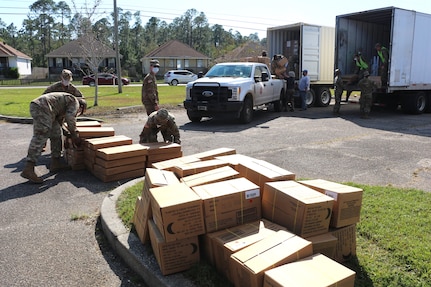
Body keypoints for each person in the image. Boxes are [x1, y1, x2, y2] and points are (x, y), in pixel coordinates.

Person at [21, 92, 87, 183]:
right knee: (41, 135)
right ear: (81, 106)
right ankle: (29, 168)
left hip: (48, 108)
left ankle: (56, 163)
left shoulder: (65, 103)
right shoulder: (75, 102)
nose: (78, 113)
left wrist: (67, 134)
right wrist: (75, 135)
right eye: (79, 112)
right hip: (42, 107)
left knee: (56, 135)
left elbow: (60, 123)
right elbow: (70, 118)